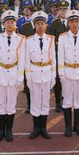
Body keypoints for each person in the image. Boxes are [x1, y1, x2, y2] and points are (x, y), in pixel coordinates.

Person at [0, 9, 25, 142]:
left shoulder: (21, 39)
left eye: (12, 22)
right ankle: (1, 130)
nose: (10, 25)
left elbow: (21, 60)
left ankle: (9, 130)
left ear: (16, 24)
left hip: (14, 73)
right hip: (1, 73)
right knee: (1, 103)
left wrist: (20, 78)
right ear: (3, 24)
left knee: (11, 104)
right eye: (7, 22)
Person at [25, 11, 56, 139]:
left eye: (42, 23)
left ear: (46, 25)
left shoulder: (51, 40)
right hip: (35, 73)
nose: (40, 26)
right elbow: (27, 61)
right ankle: (35, 127)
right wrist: (28, 78)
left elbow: (53, 59)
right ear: (34, 25)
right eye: (37, 24)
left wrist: (54, 76)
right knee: (35, 101)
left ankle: (43, 127)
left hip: (47, 73)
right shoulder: (28, 41)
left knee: (45, 102)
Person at [57, 9, 79, 137]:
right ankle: (68, 126)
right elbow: (60, 56)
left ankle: (77, 126)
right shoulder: (63, 37)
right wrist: (61, 74)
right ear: (68, 23)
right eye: (72, 22)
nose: (75, 24)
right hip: (67, 71)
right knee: (67, 100)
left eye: (77, 21)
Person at [46, 0, 68, 113]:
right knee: (59, 79)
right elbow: (51, 40)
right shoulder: (54, 23)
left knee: (68, 79)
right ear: (58, 11)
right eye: (61, 10)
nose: (63, 12)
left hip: (69, 55)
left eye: (65, 10)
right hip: (58, 53)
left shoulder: (71, 22)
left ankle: (66, 100)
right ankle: (58, 102)